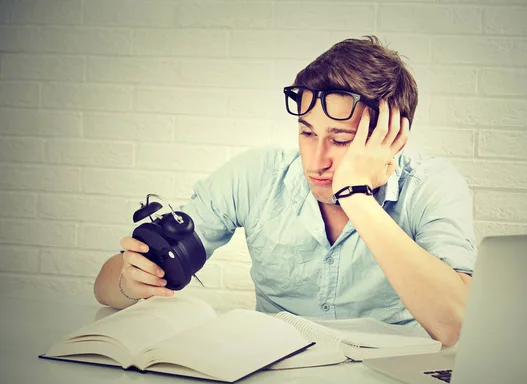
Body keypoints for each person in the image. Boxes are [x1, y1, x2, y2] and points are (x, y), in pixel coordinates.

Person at [94, 36, 476, 347]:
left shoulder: (431, 186)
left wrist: (356, 196)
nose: (317, 160)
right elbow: (105, 285)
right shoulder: (255, 175)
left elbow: (456, 324)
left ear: (390, 139)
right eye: (307, 132)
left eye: (341, 139)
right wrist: (130, 282)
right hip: (275, 378)